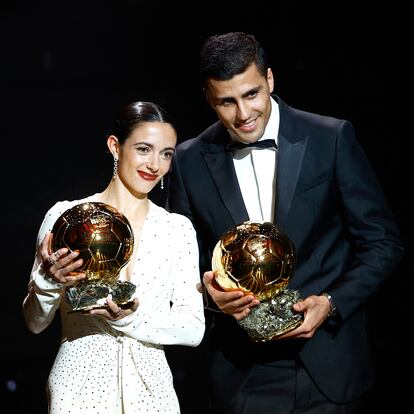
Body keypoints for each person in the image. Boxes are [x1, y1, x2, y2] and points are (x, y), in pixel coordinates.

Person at [166, 32, 404, 413]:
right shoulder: (189, 160)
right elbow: (180, 267)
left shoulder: (331, 137)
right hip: (243, 374)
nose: (243, 114)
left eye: (251, 94)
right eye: (226, 102)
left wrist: (331, 302)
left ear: (270, 80)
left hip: (329, 364)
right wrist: (212, 297)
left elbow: (383, 244)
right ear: (208, 99)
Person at [23, 100, 205, 414]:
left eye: (166, 154)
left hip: (153, 395)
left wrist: (132, 318)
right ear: (115, 146)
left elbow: (193, 328)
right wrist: (48, 282)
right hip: (77, 392)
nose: (154, 165)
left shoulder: (177, 230)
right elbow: (34, 322)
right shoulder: (66, 217)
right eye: (144, 149)